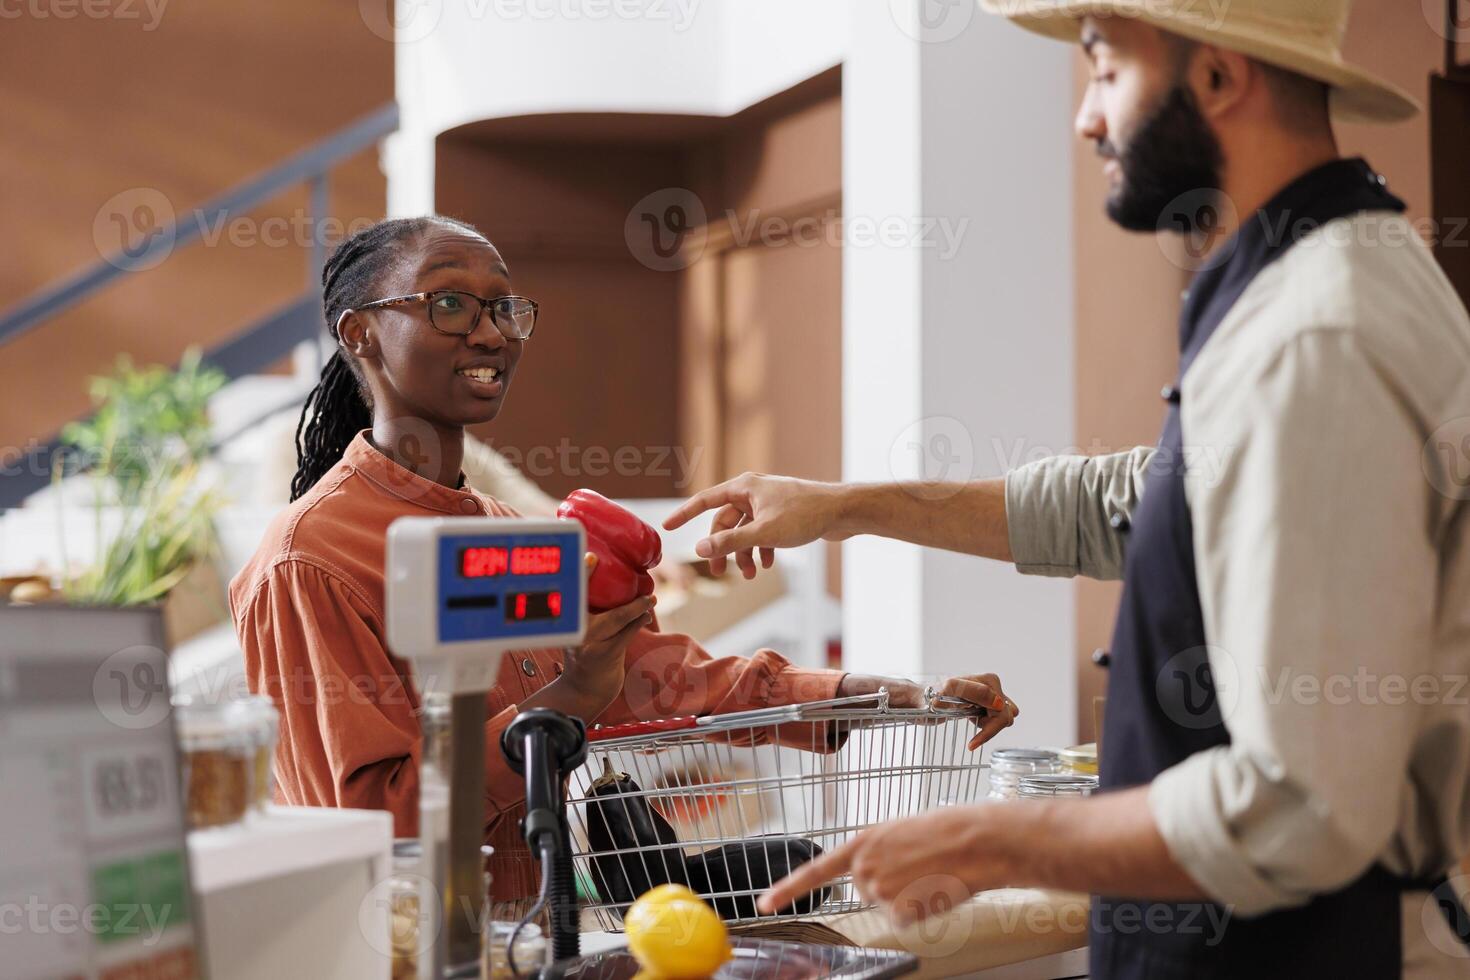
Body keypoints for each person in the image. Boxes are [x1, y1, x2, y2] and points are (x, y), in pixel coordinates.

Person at [666, 2, 1470, 976]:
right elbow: (1140, 502)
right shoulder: (1322, 274)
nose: (1085, 118)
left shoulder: (1314, 334)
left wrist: (994, 839)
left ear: (1218, 78)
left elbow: (1304, 801)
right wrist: (847, 505)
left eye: (1104, 69)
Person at [225, 215, 1019, 907]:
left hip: (533, 940)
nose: (492, 332)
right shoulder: (309, 562)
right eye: (450, 303)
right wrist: (568, 700)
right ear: (359, 333)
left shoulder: (508, 533)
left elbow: (671, 680)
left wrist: (893, 697)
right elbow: (374, 826)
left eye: (504, 306)